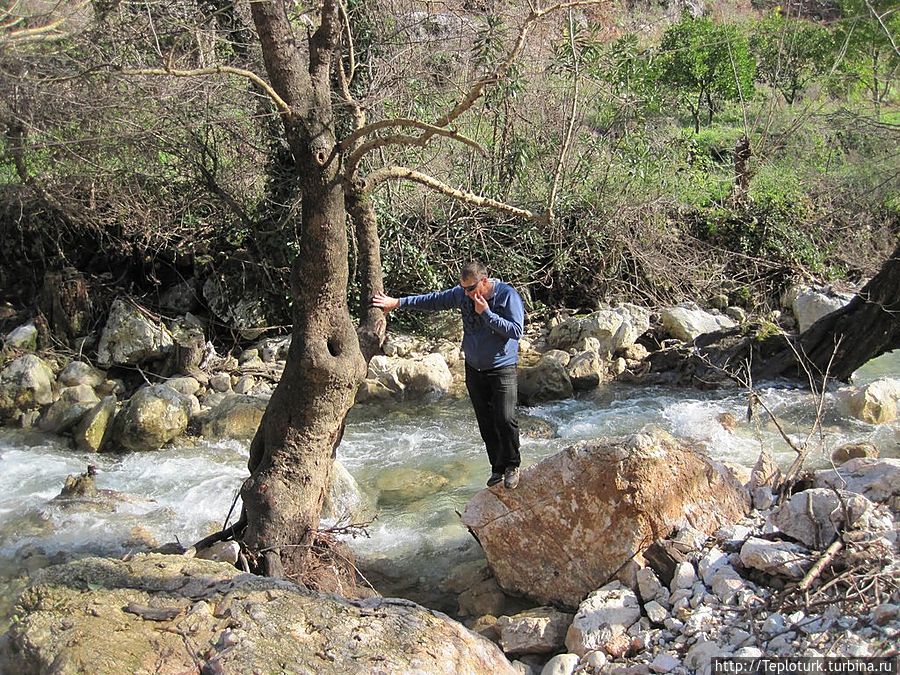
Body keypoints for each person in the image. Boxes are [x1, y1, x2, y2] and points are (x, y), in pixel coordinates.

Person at [372, 261, 525, 489]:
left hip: (502, 367)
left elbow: (516, 330)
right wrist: (397, 303)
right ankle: (497, 468)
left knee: (504, 418)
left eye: (471, 289)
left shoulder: (506, 295)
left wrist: (487, 313)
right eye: (463, 289)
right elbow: (434, 300)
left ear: (484, 281)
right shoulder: (463, 294)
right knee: (486, 421)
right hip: (474, 368)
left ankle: (512, 465)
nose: (466, 293)